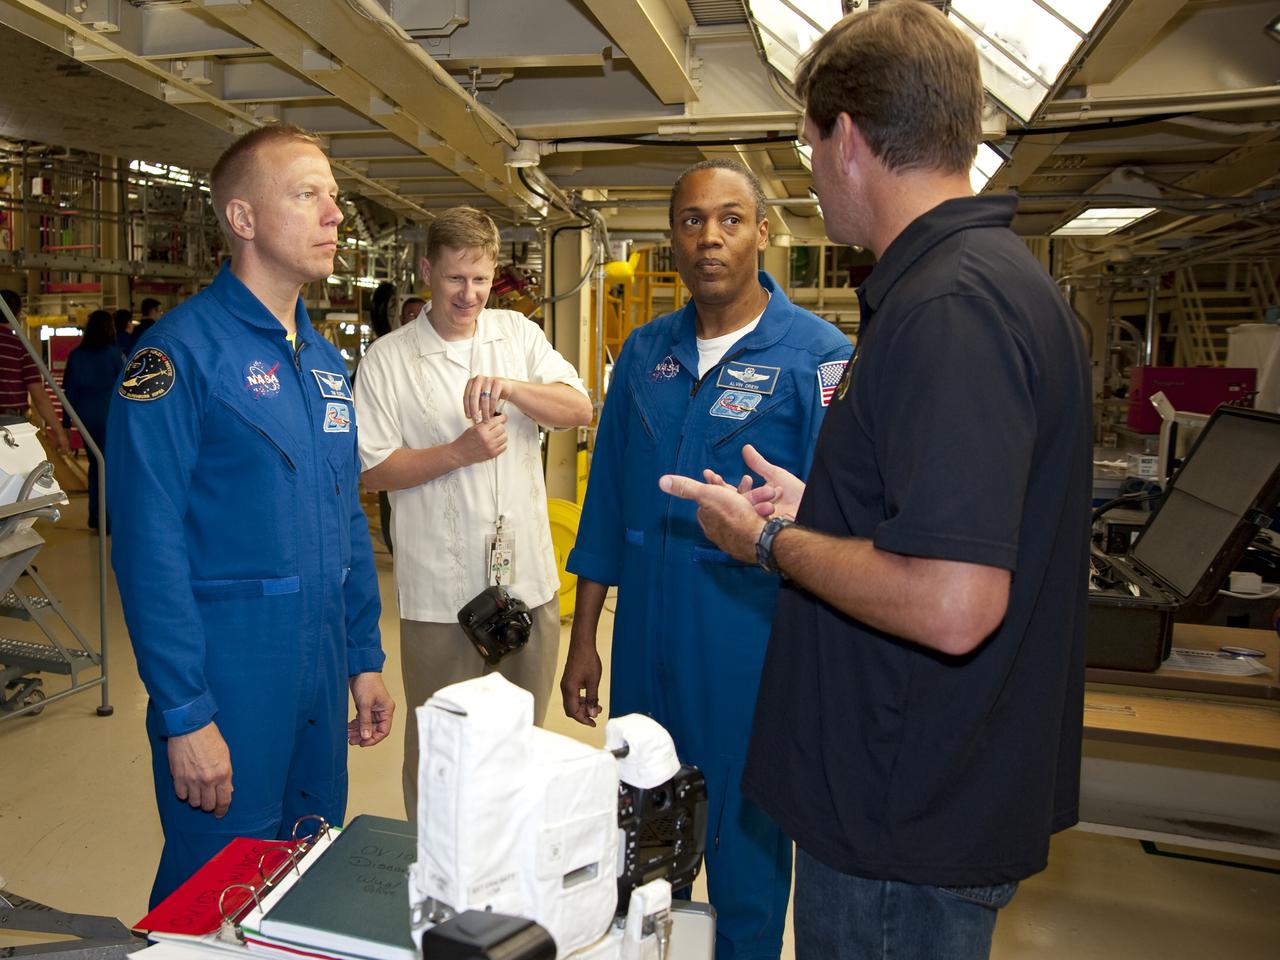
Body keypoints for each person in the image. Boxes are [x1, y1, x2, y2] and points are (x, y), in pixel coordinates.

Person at [659, 4, 1091, 958]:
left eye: (810, 144)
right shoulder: (978, 287)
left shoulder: (953, 310)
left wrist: (767, 541)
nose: (811, 171)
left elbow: (954, 602)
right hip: (919, 797)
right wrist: (829, 511)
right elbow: (958, 524)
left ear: (845, 138)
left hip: (906, 820)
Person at [561, 158, 852, 960]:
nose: (710, 237)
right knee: (644, 864)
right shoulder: (645, 354)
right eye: (692, 221)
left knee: (745, 857)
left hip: (751, 652)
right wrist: (584, 637)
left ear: (763, 230)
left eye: (730, 219)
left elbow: (839, 526)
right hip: (644, 651)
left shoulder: (818, 359)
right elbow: (608, 504)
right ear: (672, 240)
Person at [107, 123, 394, 906]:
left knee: (304, 881)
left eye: (334, 197)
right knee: (213, 894)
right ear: (243, 219)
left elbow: (347, 520)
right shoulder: (177, 358)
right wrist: (185, 713)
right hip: (232, 677)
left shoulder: (328, 364)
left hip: (319, 668)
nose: (335, 214)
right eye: (308, 195)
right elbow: (146, 546)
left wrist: (363, 655)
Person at [354, 205, 592, 815]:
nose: (470, 294)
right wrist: (456, 453)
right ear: (428, 271)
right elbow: (372, 468)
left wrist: (513, 389)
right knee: (443, 754)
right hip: (439, 595)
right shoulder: (388, 360)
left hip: (528, 586)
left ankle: (509, 873)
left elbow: (577, 408)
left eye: (481, 279)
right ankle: (440, 883)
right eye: (457, 278)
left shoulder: (517, 336)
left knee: (521, 743)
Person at [62, 309, 124, 532]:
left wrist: (66, 423)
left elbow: (69, 391)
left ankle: (95, 515)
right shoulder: (115, 354)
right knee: (111, 466)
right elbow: (126, 388)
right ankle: (108, 517)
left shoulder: (76, 356)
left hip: (86, 415)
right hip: (110, 414)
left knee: (96, 465)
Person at [0, 289, 71, 454]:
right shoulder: (19, 346)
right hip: (9, 426)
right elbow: (39, 396)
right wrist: (59, 432)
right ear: (17, 314)